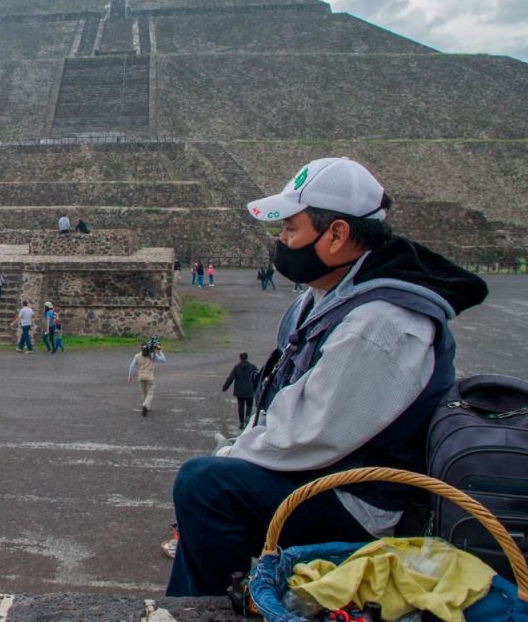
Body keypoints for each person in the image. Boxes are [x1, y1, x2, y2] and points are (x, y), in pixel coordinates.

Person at [165, 157, 488, 597]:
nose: (281, 240)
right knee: (214, 483)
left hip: (369, 505)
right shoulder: (329, 294)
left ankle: (208, 606)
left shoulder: (382, 323)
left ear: (336, 235)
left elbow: (307, 434)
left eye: (290, 229)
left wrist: (230, 458)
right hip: (334, 474)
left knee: (206, 487)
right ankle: (196, 602)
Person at [126, 337, 165, 417]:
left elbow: (131, 366)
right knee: (150, 393)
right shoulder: (152, 355)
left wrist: (130, 376)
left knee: (144, 392)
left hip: (141, 377)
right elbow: (163, 360)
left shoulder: (137, 356)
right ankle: (145, 406)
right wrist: (160, 350)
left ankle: (146, 405)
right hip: (150, 377)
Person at [221, 352, 259, 429]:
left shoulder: (237, 367)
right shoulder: (252, 367)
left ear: (240, 358)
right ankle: (247, 418)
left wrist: (225, 387)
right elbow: (258, 377)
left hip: (239, 391)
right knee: (249, 405)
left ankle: (241, 422)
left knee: (241, 406)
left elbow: (230, 378)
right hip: (250, 390)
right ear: (247, 357)